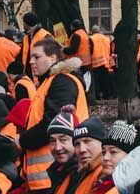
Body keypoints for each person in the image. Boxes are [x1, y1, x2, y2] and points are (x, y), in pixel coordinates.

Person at [20, 38, 88, 192]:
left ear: (52, 58)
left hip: (54, 175)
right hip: (48, 175)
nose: (31, 61)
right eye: (31, 57)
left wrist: (22, 141)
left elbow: (53, 124)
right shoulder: (49, 82)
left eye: (36, 57)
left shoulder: (61, 81)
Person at [65, 117, 105, 194]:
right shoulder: (76, 173)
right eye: (77, 144)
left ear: (102, 143)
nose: (81, 149)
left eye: (87, 141)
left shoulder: (107, 174)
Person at [45, 106, 80, 193]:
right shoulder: (58, 170)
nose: (57, 147)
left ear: (76, 141)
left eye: (63, 140)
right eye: (52, 141)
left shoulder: (79, 175)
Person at [64, 20, 94, 93]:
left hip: (77, 63)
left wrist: (63, 49)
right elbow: (91, 46)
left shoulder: (76, 35)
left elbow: (73, 49)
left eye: (71, 26)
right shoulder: (85, 34)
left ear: (73, 27)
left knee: (78, 83)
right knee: (85, 84)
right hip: (86, 63)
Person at [88, 27, 114, 102]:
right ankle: (107, 95)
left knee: (96, 81)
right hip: (105, 62)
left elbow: (90, 50)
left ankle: (98, 96)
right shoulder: (106, 38)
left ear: (92, 32)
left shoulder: (91, 38)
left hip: (95, 62)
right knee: (105, 80)